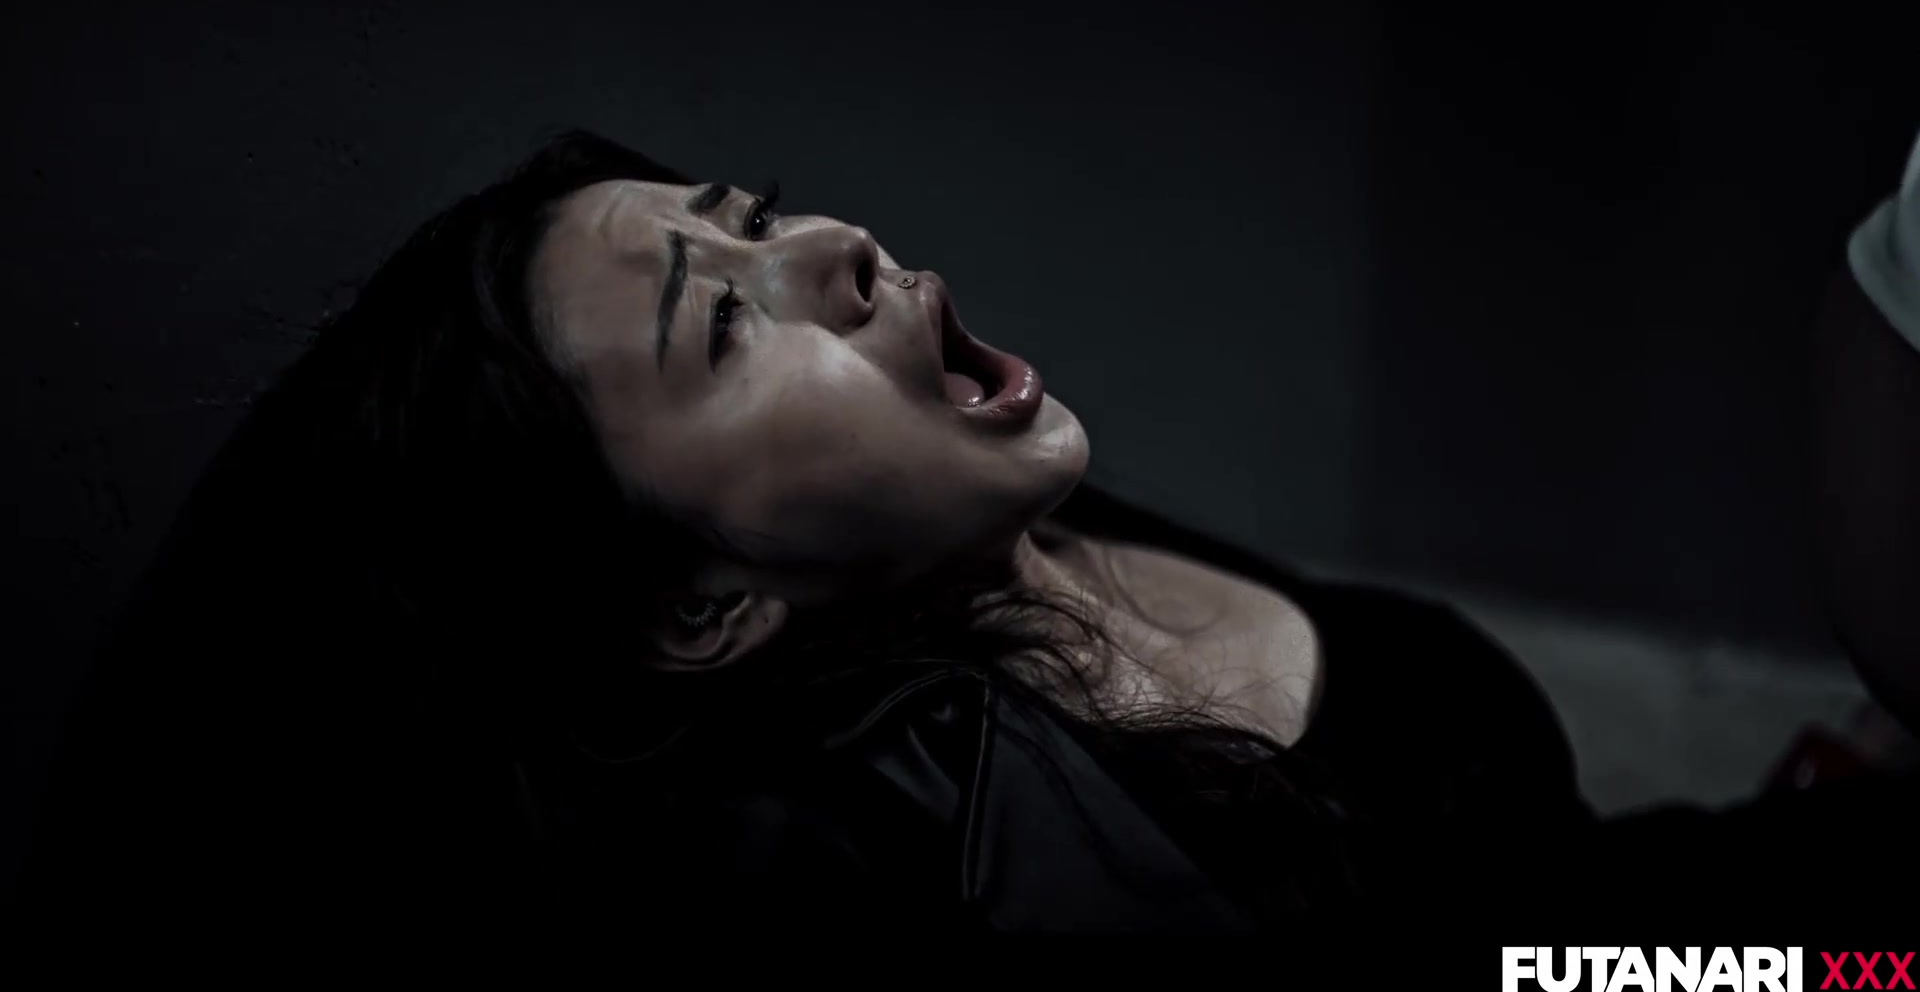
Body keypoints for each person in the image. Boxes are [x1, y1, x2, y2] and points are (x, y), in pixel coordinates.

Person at [23, 129, 1920, 936]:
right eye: (722, 325)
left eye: (753, 218)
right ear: (702, 607)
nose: (834, 248)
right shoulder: (961, 849)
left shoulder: (991, 541)